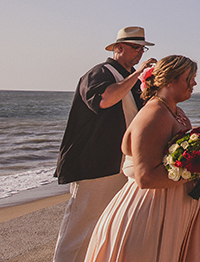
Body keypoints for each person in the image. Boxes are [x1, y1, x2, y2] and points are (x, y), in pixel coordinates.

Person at [84, 55, 200, 262]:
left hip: (171, 209)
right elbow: (145, 178)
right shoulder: (154, 114)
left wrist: (198, 176)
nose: (194, 83)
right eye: (189, 77)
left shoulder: (176, 113)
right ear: (169, 80)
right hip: (150, 212)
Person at [53, 26, 156, 262]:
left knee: (112, 225)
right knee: (80, 229)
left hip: (122, 164)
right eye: (135, 47)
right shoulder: (100, 72)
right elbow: (105, 99)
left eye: (143, 49)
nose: (140, 52)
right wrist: (138, 73)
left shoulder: (133, 80)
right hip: (95, 164)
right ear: (118, 48)